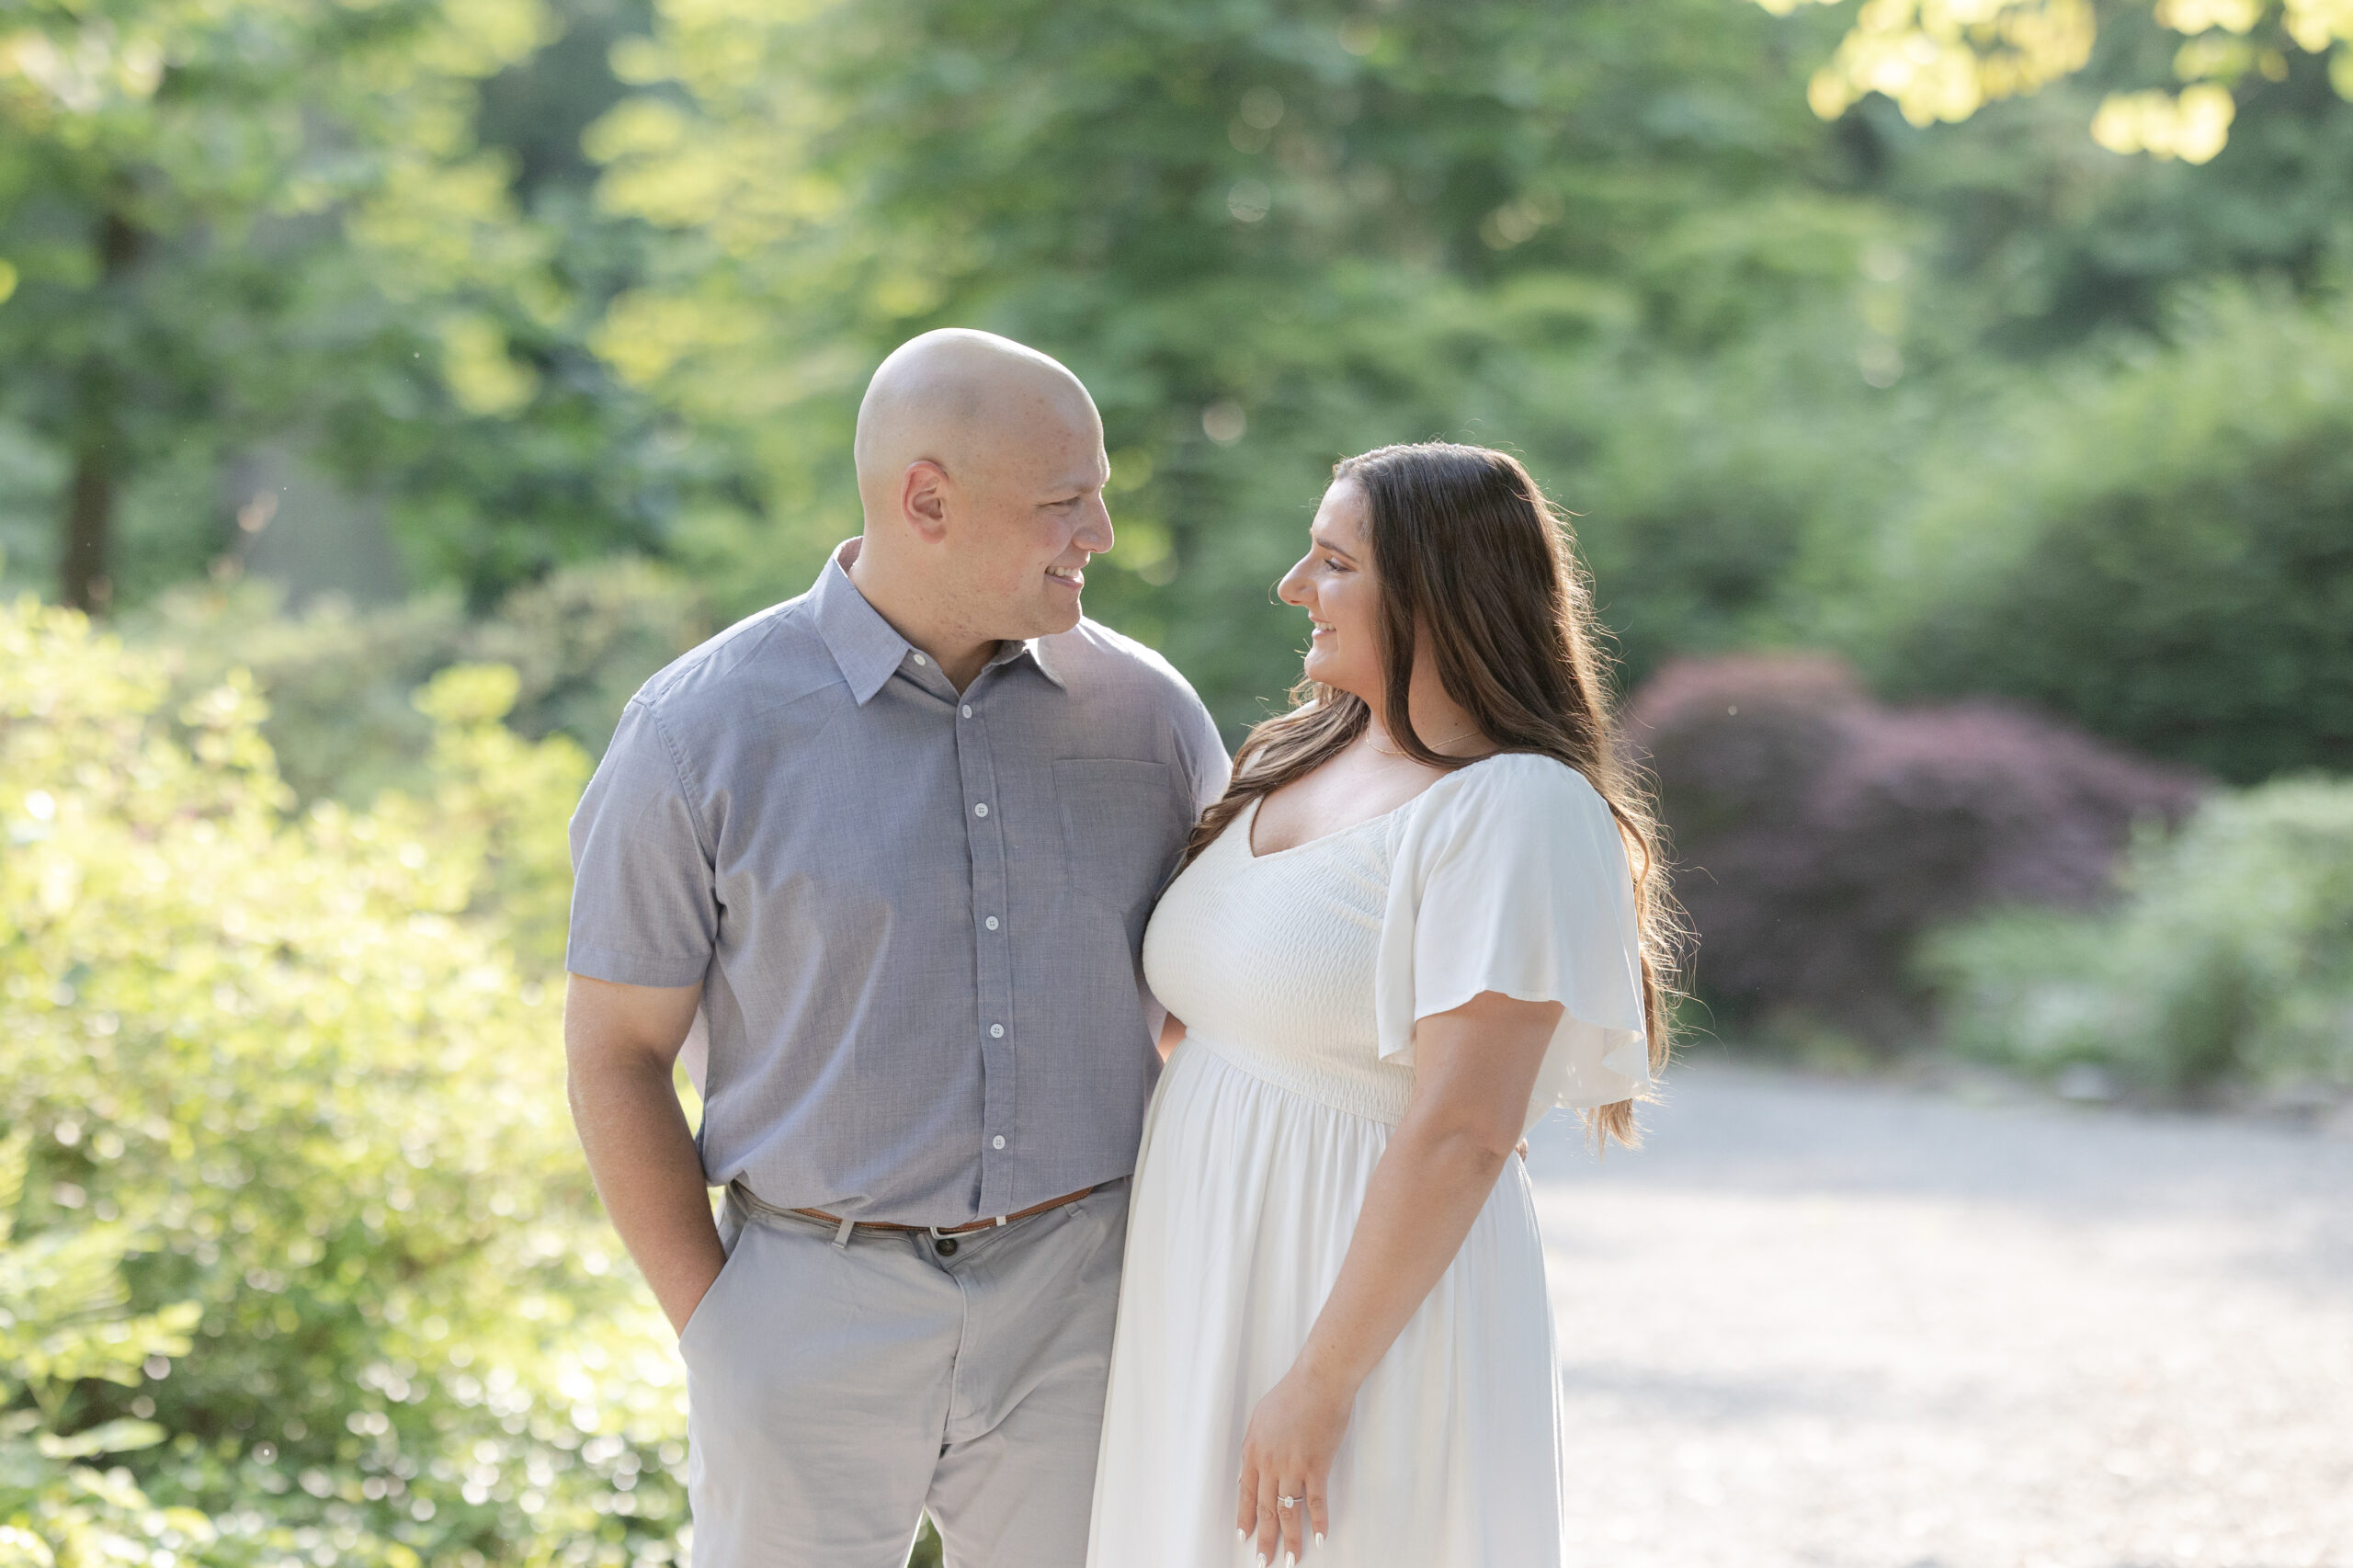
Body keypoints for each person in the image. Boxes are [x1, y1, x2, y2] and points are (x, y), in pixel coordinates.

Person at [563, 328, 1228, 1568]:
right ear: (927, 498)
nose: (1102, 534)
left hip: (1086, 1300)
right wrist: (718, 1324)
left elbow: (1217, 1003)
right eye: (1065, 501)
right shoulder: (694, 733)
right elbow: (615, 1049)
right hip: (809, 1301)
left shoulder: (1152, 720)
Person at [1086, 442, 1677, 1567]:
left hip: (1362, 1313)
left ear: (1433, 592)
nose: (1291, 587)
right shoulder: (1292, 754)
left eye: (1331, 561)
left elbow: (1464, 1127)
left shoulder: (1514, 807)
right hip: (1202, 1274)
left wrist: (1320, 1380)